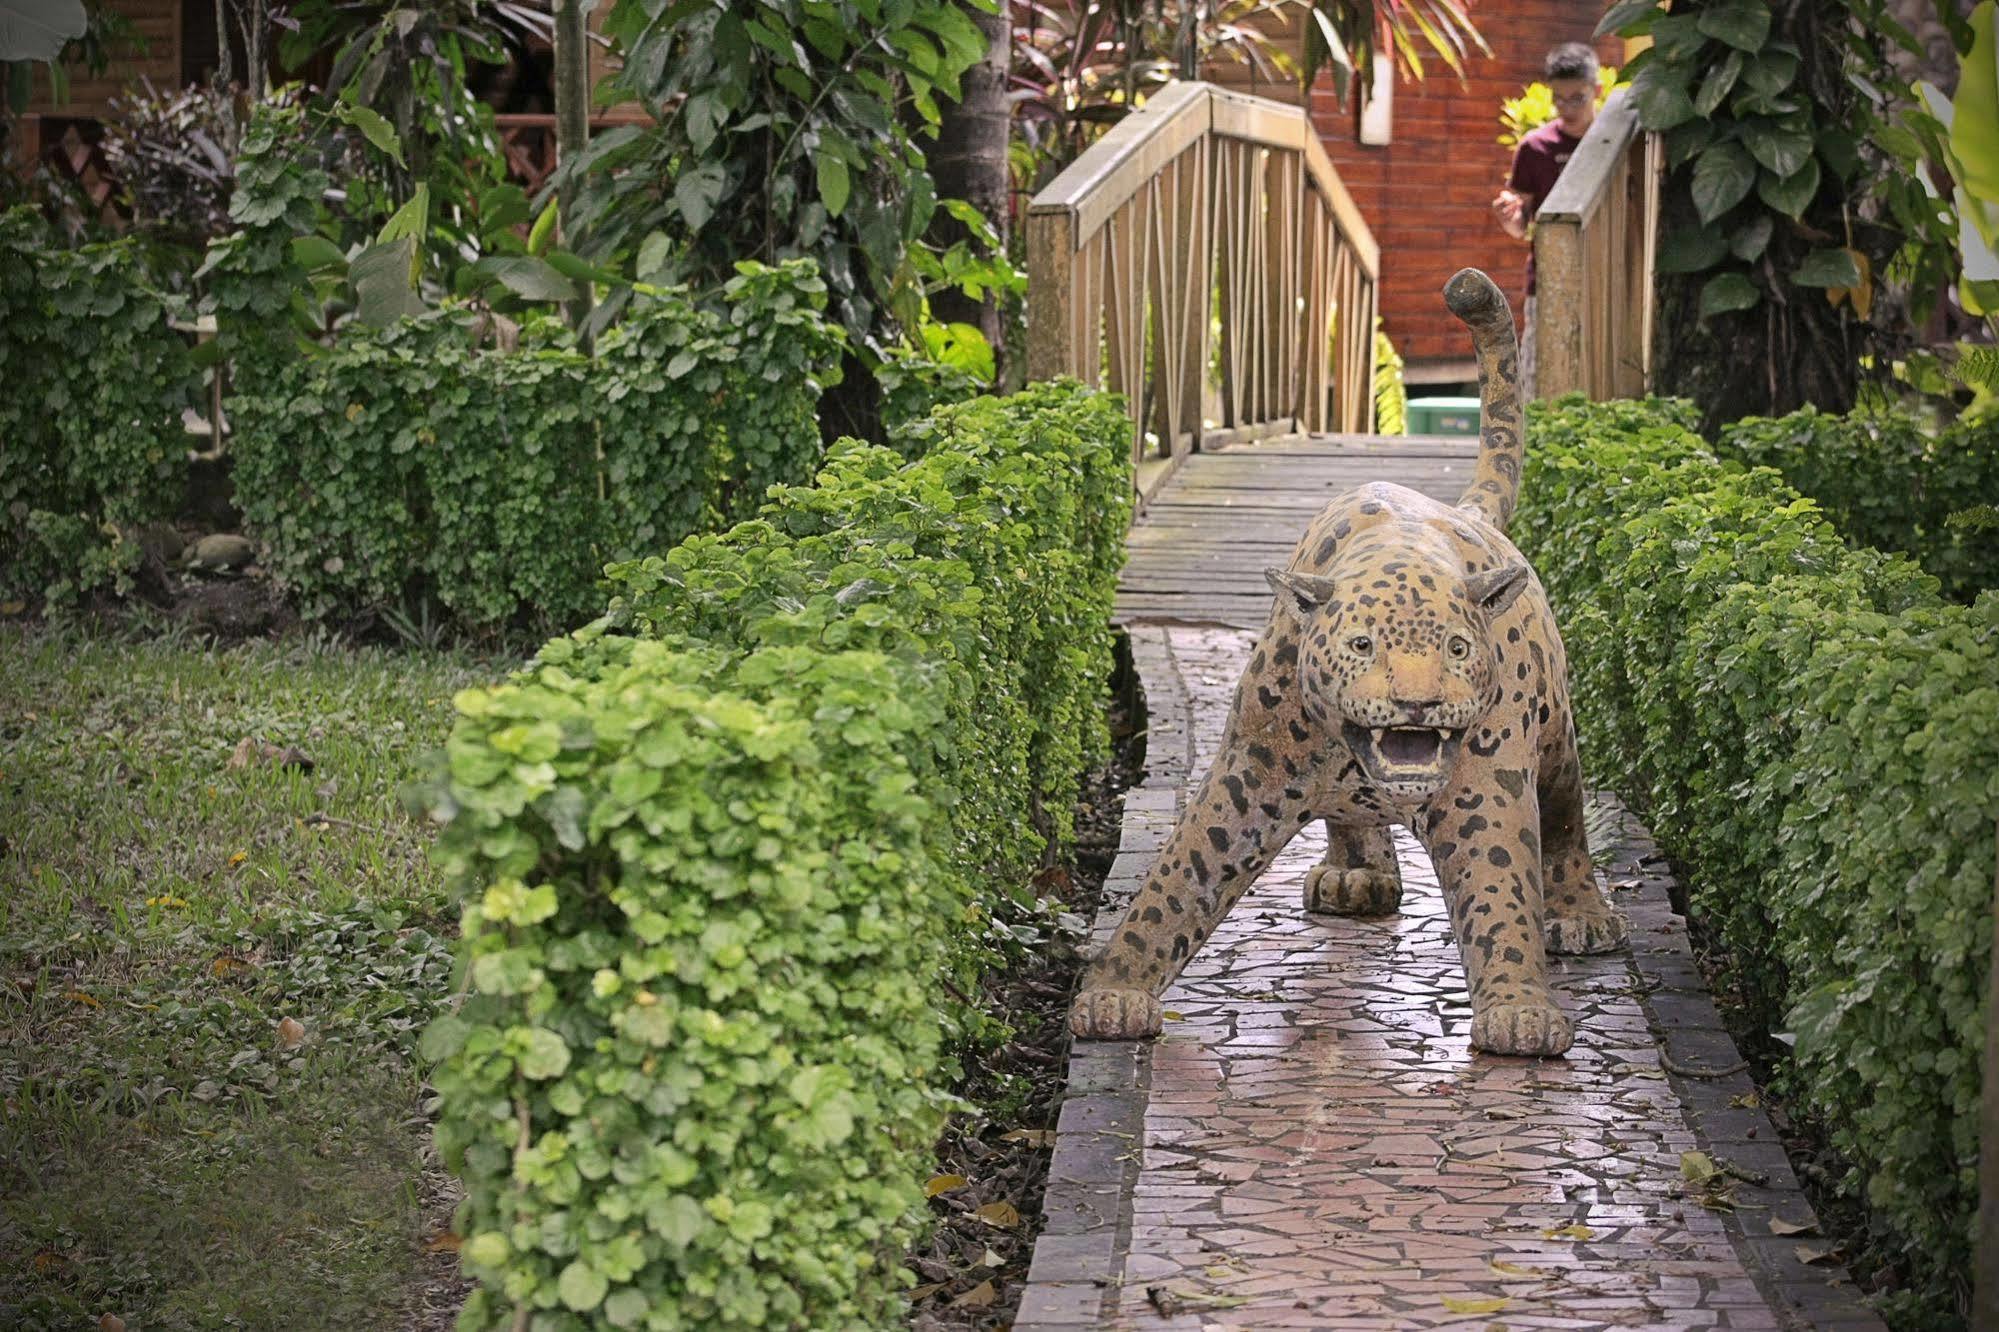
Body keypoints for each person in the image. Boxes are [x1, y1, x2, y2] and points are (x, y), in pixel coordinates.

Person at [1491, 42, 1600, 398]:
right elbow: (1522, 223)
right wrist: (1510, 220)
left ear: (1596, 91)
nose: (1567, 109)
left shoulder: (1613, 143)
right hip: (1548, 278)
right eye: (1559, 99)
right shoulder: (1534, 147)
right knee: (1539, 380)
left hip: (1605, 273)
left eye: (1577, 98)